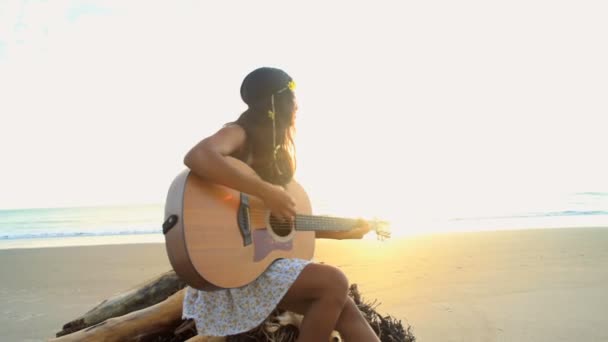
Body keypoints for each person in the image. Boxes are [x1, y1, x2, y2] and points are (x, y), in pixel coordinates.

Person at [181, 67, 379, 341]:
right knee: (335, 281)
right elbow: (198, 155)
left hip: (261, 263)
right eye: (292, 97)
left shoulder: (274, 153)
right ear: (276, 102)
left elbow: (278, 225)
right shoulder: (240, 132)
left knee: (345, 309)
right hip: (236, 264)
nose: (297, 105)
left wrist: (340, 230)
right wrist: (266, 191)